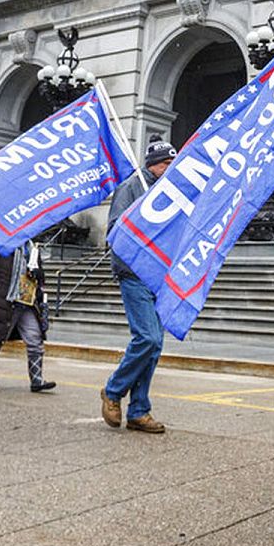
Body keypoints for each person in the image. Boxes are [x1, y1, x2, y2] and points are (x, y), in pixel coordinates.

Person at [100, 134, 176, 434]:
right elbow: (115, 229)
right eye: (167, 163)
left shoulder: (167, 190)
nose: (172, 167)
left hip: (158, 275)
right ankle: (113, 390)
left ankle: (139, 410)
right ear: (154, 165)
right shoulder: (132, 187)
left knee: (154, 345)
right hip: (134, 273)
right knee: (148, 338)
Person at [0, 237, 53, 392]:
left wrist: (38, 273)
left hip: (27, 300)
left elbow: (40, 277)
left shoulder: (32, 248)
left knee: (35, 338)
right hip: (5, 299)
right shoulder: (2, 244)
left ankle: (37, 380)